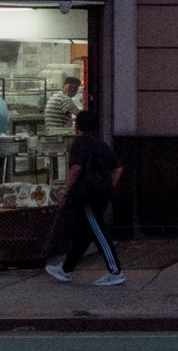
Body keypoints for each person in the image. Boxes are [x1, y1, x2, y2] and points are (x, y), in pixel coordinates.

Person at [44, 108, 124, 287]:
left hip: (87, 194)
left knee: (97, 230)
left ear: (77, 126)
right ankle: (66, 269)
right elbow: (118, 169)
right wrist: (108, 187)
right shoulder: (101, 144)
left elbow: (76, 169)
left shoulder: (80, 143)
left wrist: (65, 192)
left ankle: (115, 271)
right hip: (100, 193)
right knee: (85, 233)